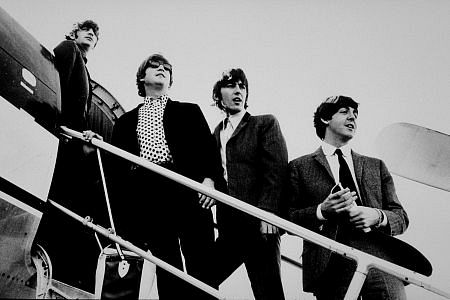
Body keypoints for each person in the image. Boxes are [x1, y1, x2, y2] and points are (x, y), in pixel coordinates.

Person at [109, 53, 222, 299]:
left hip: (188, 188)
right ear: (142, 78)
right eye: (154, 66)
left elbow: (209, 150)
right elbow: (115, 167)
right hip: (149, 193)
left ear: (170, 79)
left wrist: (210, 181)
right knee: (166, 264)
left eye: (166, 68)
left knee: (201, 260)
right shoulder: (126, 121)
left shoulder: (189, 111)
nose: (161, 68)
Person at [288, 95, 409, 299]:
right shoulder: (299, 167)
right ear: (325, 119)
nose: (352, 117)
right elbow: (288, 219)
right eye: (344, 112)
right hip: (329, 262)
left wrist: (377, 215)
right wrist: (321, 211)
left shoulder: (376, 166)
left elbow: (402, 217)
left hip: (381, 259)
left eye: (355, 113)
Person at [36, 20, 102, 292]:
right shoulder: (69, 49)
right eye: (86, 29)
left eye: (95, 34)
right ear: (75, 33)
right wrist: (57, 122)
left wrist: (86, 130)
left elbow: (78, 107)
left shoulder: (83, 64)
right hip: (62, 136)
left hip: (72, 136)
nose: (91, 34)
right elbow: (55, 85)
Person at [211, 68, 288, 300]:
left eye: (242, 86)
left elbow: (276, 171)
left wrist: (268, 215)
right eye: (231, 85)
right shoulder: (216, 132)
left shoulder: (264, 123)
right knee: (201, 278)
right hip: (229, 228)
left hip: (260, 227)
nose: (238, 91)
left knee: (268, 293)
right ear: (218, 95)